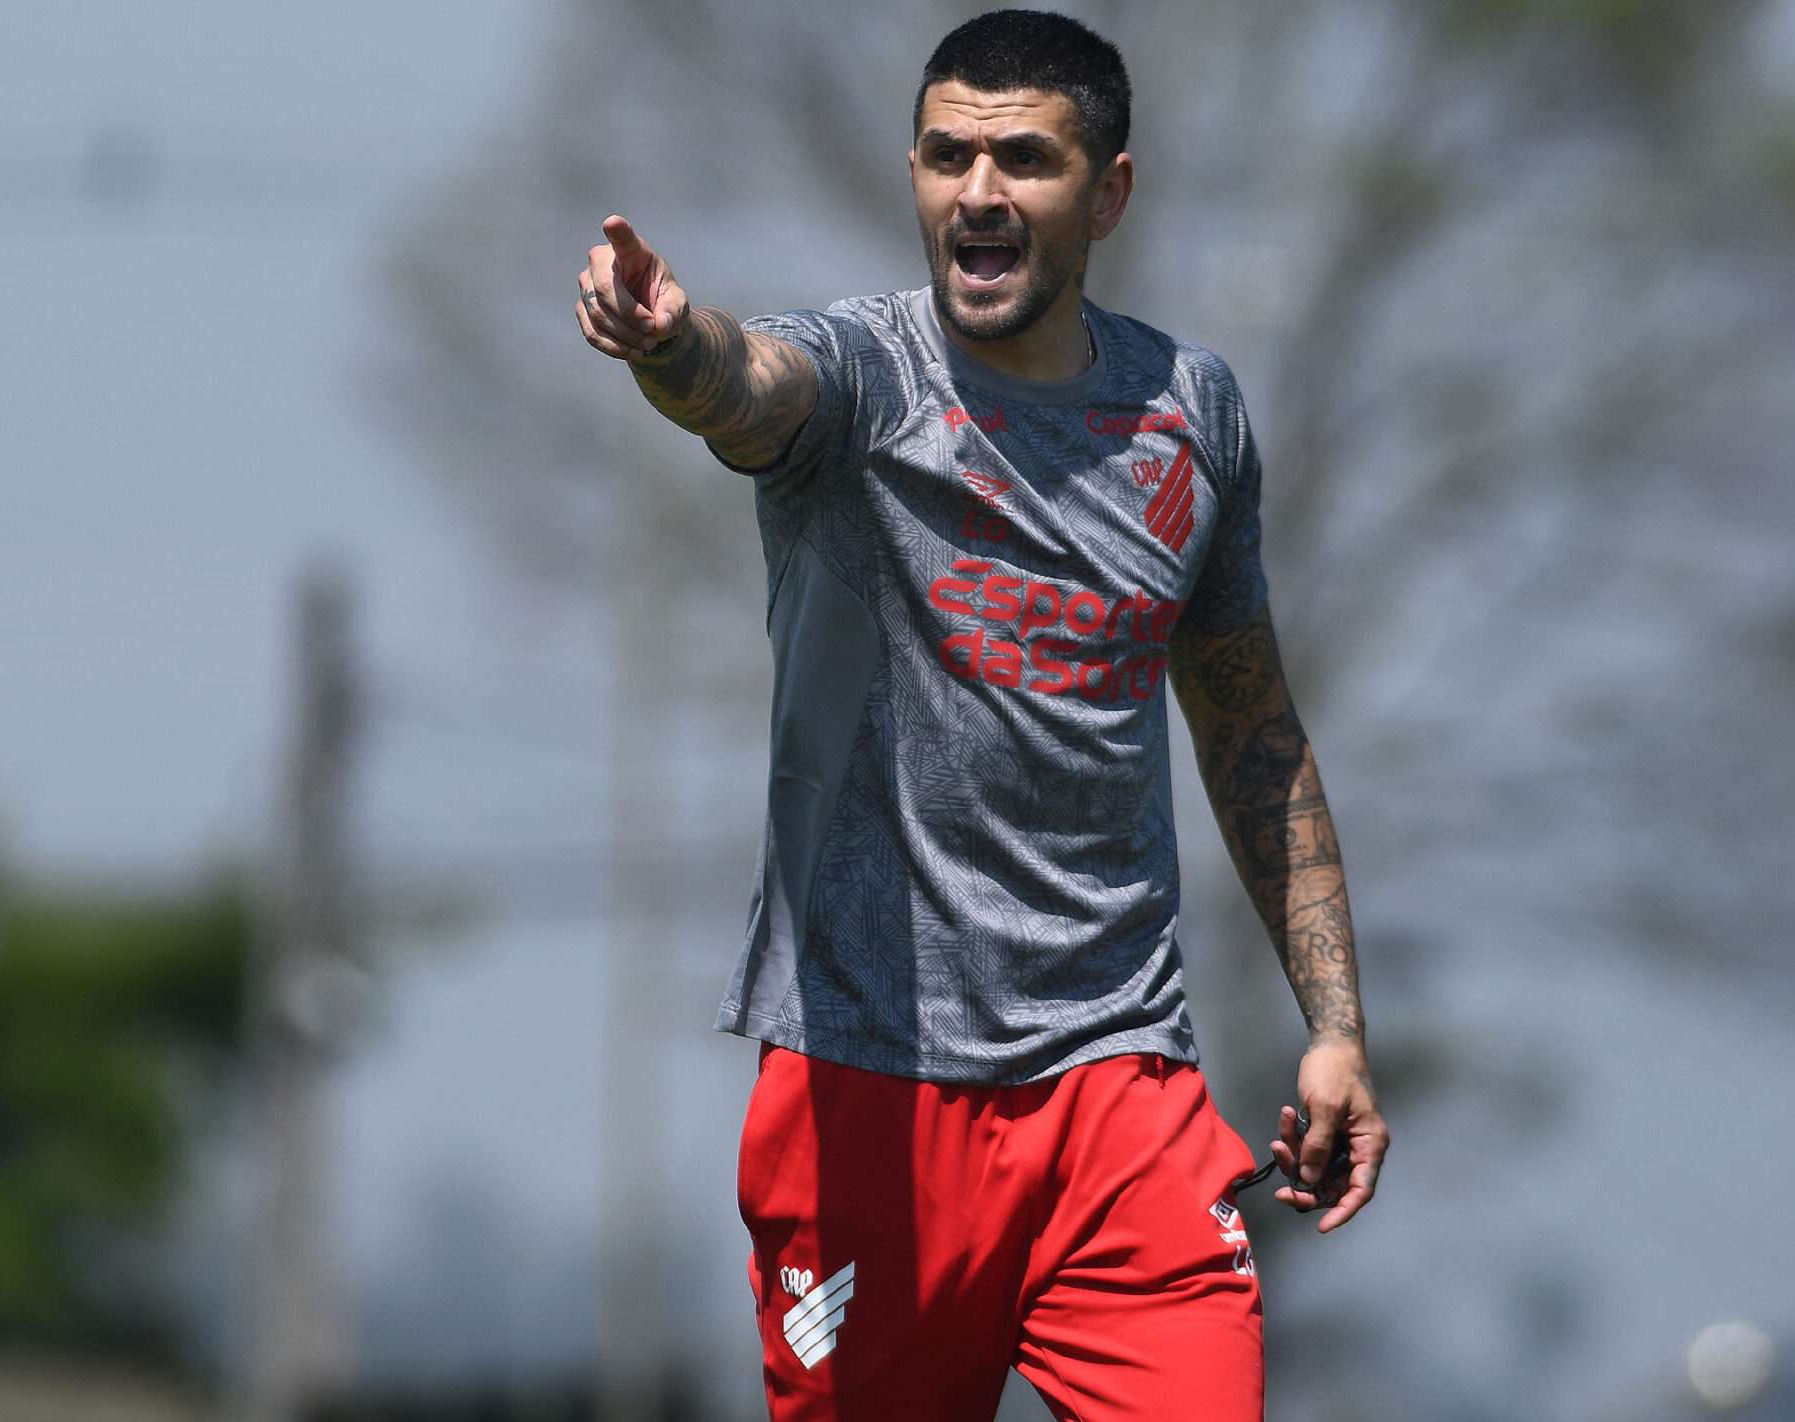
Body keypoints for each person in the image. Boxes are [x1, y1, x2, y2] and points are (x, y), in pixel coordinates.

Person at [572, 10, 1385, 1419]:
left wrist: (1336, 1028)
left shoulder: (1192, 416)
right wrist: (666, 342)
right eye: (949, 156)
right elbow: (748, 386)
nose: (980, 193)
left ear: (1110, 192)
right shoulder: (869, 380)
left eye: (1025, 158)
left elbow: (1253, 731)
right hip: (870, 1094)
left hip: (1119, 1089)